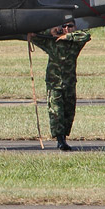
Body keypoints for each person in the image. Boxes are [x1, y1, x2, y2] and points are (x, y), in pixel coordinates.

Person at [28, 21, 91, 151]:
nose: (66, 29)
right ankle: (60, 140)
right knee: (56, 112)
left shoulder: (75, 42)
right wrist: (50, 32)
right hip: (54, 82)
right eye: (64, 26)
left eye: (70, 26)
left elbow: (86, 35)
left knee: (69, 112)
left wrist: (67, 36)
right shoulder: (51, 42)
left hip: (69, 82)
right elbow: (33, 35)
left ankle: (64, 137)